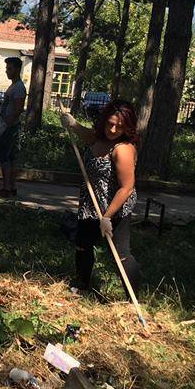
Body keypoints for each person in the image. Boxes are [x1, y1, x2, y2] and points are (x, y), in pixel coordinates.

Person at [60, 100, 140, 295]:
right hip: (91, 204)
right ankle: (82, 285)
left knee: (119, 254)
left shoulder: (123, 150)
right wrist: (72, 123)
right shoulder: (99, 138)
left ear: (127, 127)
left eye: (119, 126)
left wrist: (107, 217)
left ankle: (133, 295)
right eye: (109, 124)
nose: (112, 129)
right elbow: (87, 136)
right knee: (82, 244)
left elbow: (127, 187)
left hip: (116, 207)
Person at [0, 57, 26, 198]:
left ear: (17, 69)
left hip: (10, 127)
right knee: (10, 157)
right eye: (7, 68)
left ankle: (7, 187)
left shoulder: (19, 87)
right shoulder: (13, 86)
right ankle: (11, 187)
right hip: (8, 125)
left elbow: (19, 109)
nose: (7, 71)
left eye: (10, 68)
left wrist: (7, 124)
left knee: (4, 157)